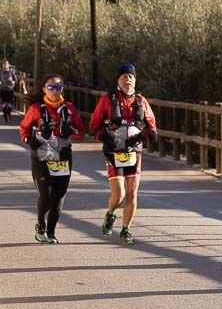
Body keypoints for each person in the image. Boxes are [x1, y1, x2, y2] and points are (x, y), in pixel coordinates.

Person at [89, 62, 158, 245]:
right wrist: (104, 137)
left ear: (135, 80)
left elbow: (151, 121)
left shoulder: (141, 101)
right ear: (118, 80)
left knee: (132, 194)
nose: (128, 80)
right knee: (118, 195)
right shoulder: (107, 99)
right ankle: (110, 214)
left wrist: (152, 133)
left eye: (131, 77)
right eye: (124, 77)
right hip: (114, 151)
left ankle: (126, 230)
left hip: (134, 151)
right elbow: (94, 125)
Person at [19, 73, 85, 243]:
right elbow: (24, 130)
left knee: (59, 195)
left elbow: (81, 133)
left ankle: (52, 231)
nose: (55, 91)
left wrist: (71, 131)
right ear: (44, 90)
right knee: (47, 194)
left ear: (62, 89)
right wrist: (30, 140)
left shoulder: (69, 109)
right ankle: (41, 225)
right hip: (42, 156)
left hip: (62, 156)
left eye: (58, 87)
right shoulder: (36, 109)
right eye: (51, 87)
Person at [1, 59, 17, 124]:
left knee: (9, 105)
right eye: (4, 64)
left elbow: (16, 80)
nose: (5, 65)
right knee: (4, 105)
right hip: (3, 89)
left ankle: (9, 115)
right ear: (2, 65)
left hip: (10, 90)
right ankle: (5, 118)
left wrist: (13, 81)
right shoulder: (0, 71)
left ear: (8, 65)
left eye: (7, 64)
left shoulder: (11, 72)